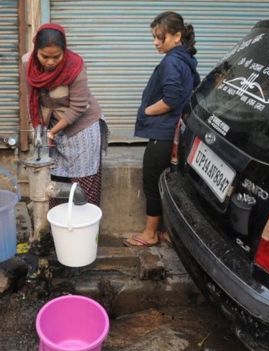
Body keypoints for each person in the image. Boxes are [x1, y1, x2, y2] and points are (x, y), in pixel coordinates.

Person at [124, 11, 200, 247]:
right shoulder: (185, 59)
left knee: (152, 183)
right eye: (154, 37)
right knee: (169, 184)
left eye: (161, 37)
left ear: (177, 36)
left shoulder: (171, 61)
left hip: (163, 133)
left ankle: (149, 234)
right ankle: (169, 232)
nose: (156, 42)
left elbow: (171, 98)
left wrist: (146, 111)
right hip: (176, 133)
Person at [23, 23, 108, 207]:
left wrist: (52, 133)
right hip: (52, 126)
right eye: (45, 56)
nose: (51, 62)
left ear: (64, 51)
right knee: (54, 178)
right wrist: (39, 131)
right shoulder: (28, 64)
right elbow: (32, 100)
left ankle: (85, 229)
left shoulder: (75, 66)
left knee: (83, 182)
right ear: (36, 50)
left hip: (81, 128)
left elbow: (78, 107)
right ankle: (59, 228)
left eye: (56, 57)